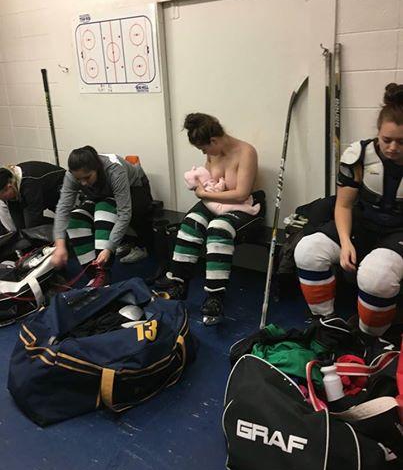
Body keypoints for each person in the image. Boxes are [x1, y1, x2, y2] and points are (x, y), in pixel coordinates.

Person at [294, 83, 403, 343]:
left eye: (401, 142)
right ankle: (325, 322)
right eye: (386, 140)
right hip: (361, 224)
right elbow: (343, 205)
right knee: (307, 251)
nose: (392, 148)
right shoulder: (359, 155)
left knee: (377, 277)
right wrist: (344, 243)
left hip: (398, 232)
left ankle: (369, 340)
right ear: (378, 133)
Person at [158, 113, 263, 326]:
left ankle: (215, 296)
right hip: (215, 201)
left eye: (204, 149)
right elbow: (208, 180)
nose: (204, 153)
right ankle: (178, 283)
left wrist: (204, 194)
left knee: (218, 229)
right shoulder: (213, 154)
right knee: (190, 224)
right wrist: (200, 187)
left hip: (242, 206)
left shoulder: (246, 152)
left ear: (214, 140)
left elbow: (241, 194)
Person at [52, 146, 153, 286]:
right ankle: (93, 274)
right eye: (78, 179)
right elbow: (63, 208)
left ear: (97, 168)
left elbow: (124, 214)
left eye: (87, 177)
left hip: (136, 190)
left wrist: (109, 248)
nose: (83, 183)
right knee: (76, 219)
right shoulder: (72, 175)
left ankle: (103, 273)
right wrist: (60, 244)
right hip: (102, 194)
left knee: (103, 211)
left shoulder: (114, 171)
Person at [0, 161, 65, 232]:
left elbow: (33, 224)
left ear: (9, 187)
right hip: (45, 193)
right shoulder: (11, 185)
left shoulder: (29, 184)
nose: (2, 200)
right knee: (23, 227)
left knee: (32, 227)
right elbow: (18, 222)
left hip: (62, 188)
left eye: (2, 197)